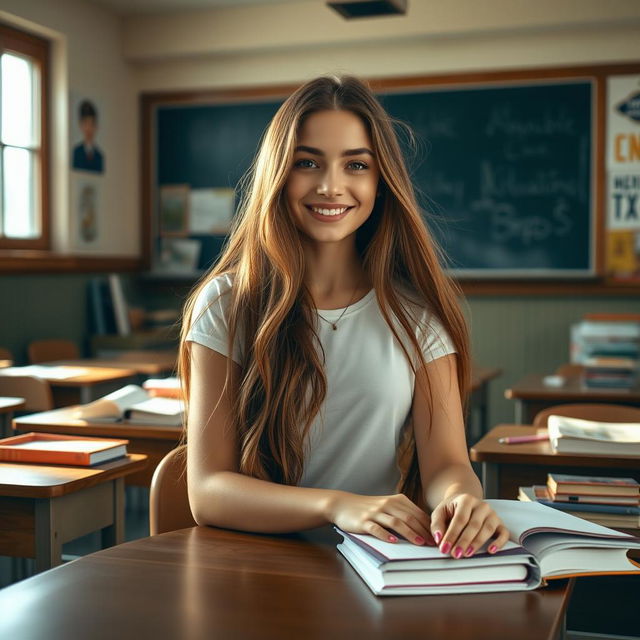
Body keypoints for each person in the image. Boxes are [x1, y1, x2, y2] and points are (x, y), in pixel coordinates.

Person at [179, 75, 509, 559]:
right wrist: (337, 506)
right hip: (256, 564)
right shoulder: (228, 304)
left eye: (356, 165)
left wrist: (461, 499)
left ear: (381, 181)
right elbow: (207, 491)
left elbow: (446, 466)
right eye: (307, 163)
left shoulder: (416, 314)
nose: (331, 186)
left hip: (380, 564)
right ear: (279, 175)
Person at [72, 100, 104, 173]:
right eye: (86, 123)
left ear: (96, 127)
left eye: (91, 124)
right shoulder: (76, 152)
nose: (88, 129)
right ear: (81, 125)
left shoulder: (99, 156)